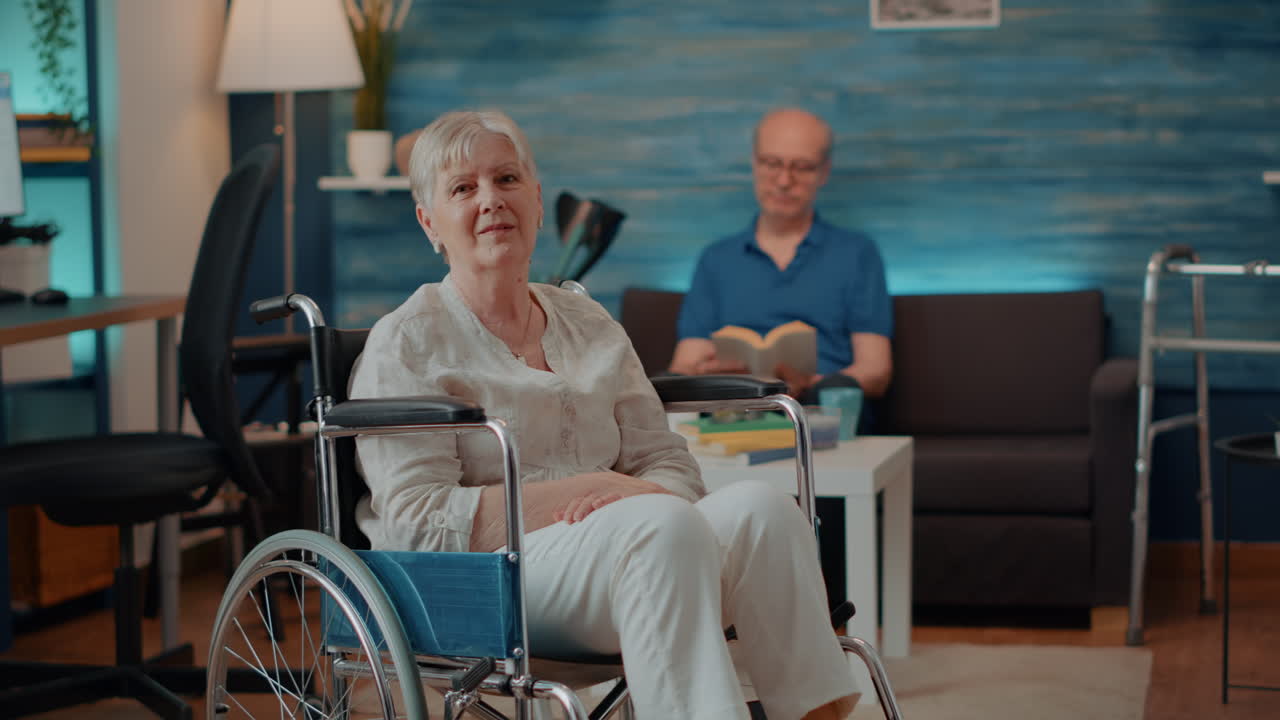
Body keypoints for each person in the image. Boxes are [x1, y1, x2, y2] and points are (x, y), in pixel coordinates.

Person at [349, 110, 858, 720]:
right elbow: (417, 523)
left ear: (537, 200)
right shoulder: (406, 342)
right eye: (463, 188)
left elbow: (665, 461)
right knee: (660, 528)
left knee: (764, 510)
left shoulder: (588, 323)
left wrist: (636, 496)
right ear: (429, 221)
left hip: (637, 550)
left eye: (507, 179)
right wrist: (598, 493)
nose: (491, 200)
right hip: (488, 582)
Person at [669, 108, 893, 406]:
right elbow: (684, 365)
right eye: (772, 163)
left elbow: (876, 371)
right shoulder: (716, 260)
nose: (784, 181)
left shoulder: (857, 253)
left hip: (821, 413)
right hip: (733, 415)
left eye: (803, 167)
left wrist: (810, 386)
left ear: (824, 172)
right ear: (754, 163)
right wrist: (706, 375)